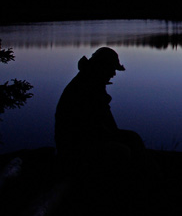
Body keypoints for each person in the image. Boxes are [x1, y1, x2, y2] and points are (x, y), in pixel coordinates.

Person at [54, 47, 147, 177]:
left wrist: (118, 135)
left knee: (133, 138)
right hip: (75, 147)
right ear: (101, 66)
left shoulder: (93, 82)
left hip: (89, 139)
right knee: (122, 151)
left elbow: (107, 125)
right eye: (112, 69)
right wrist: (116, 136)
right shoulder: (86, 87)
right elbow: (92, 128)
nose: (114, 74)